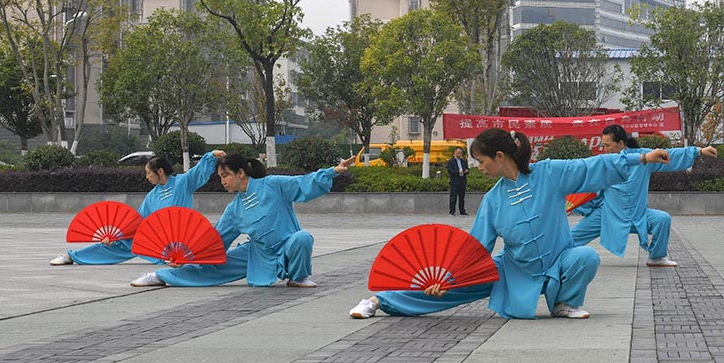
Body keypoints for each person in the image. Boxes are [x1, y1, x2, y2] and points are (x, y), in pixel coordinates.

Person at [350, 128, 670, 321]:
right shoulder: (493, 200)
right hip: (513, 271)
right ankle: (379, 300)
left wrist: (640, 158)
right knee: (447, 290)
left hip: (559, 262)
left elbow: (592, 165)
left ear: (500, 156)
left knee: (586, 257)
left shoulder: (549, 173)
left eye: (482, 161)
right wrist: (448, 278)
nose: (479, 168)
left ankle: (564, 303)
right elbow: (475, 248)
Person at [130, 151, 355, 288]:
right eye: (220, 178)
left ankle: (298, 277)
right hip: (256, 254)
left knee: (303, 238)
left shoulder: (273, 184)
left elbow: (304, 182)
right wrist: (187, 257)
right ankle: (161, 276)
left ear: (240, 173)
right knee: (213, 267)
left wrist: (332, 171)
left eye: (225, 176)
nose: (223, 182)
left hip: (286, 246)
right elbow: (215, 240)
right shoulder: (234, 209)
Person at [570, 126, 717, 267]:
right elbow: (584, 180)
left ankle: (657, 257)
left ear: (621, 143)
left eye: (608, 145)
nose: (605, 149)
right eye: (603, 145)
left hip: (637, 215)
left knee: (662, 219)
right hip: (608, 214)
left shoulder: (645, 157)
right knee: (571, 238)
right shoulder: (604, 162)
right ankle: (557, 258)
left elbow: (668, 154)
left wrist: (699, 151)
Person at [51, 150, 222, 266]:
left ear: (160, 171)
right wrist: (117, 237)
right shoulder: (152, 195)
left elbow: (199, 171)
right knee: (122, 244)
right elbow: (138, 222)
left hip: (181, 240)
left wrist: (211, 156)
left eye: (149, 172)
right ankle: (74, 257)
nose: (147, 177)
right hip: (159, 240)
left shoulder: (182, 183)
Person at [447, 145, 470, 216]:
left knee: (462, 197)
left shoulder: (463, 161)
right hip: (454, 181)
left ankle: (462, 210)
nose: (459, 154)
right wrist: (458, 172)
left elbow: (467, 169)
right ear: (454, 153)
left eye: (460, 153)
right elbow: (450, 170)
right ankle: (452, 211)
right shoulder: (451, 161)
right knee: (453, 197)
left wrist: (466, 171)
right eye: (458, 153)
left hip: (462, 181)